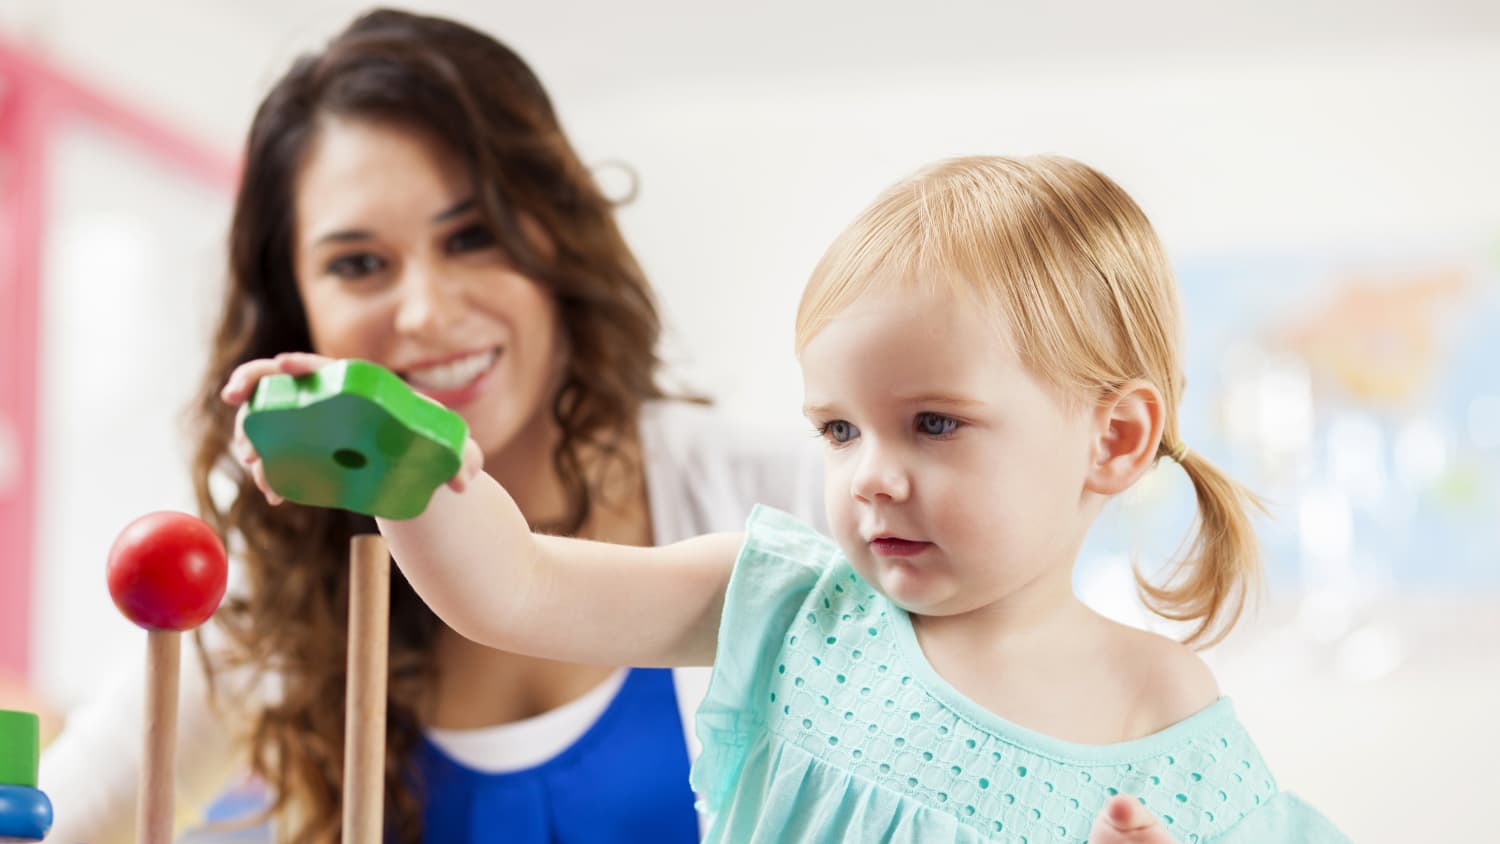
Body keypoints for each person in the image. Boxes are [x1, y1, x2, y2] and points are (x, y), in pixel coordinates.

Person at [227, 156, 1352, 842]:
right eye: (839, 428)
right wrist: (400, 464)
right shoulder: (786, 601)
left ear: (1112, 437)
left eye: (935, 423)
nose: (870, 472)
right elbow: (514, 585)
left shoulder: (1156, 700)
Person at [39, 8, 827, 844]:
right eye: (358, 264)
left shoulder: (793, 503)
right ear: (296, 308)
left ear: (558, 241)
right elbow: (55, 818)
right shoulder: (281, 590)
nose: (424, 313)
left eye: (473, 236)